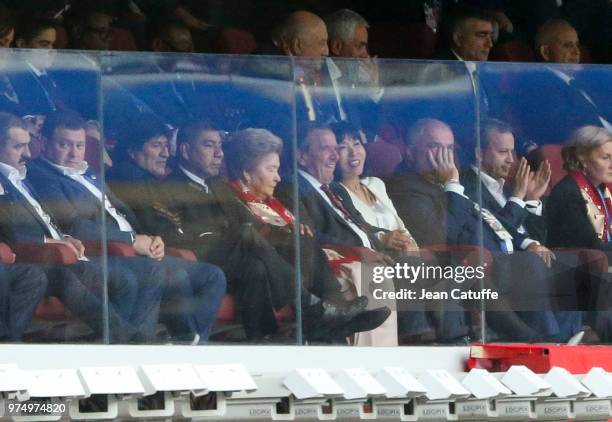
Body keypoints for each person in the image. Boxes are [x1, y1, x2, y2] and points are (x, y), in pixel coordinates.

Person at [106, 117, 384, 342]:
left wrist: (284, 233)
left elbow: (249, 222)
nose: (218, 153)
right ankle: (312, 308)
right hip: (199, 253)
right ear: (186, 151)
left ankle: (314, 321)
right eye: (208, 145)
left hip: (237, 254)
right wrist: (245, 233)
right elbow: (177, 233)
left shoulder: (217, 185)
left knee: (269, 257)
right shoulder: (170, 186)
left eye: (220, 146)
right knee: (247, 235)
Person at [29, 110, 226, 343]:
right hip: (104, 251)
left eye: (80, 146)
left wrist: (151, 238)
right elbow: (74, 226)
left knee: (212, 275)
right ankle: (141, 348)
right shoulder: (41, 175)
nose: (74, 153)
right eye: (65, 145)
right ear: (44, 142)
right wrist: (132, 241)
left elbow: (121, 212)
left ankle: (193, 346)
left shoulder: (88, 173)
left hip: (133, 246)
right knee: (164, 273)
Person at [386, 118, 581, 342]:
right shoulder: (406, 186)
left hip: (499, 257)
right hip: (475, 265)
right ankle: (549, 341)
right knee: (529, 263)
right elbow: (442, 236)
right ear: (411, 153)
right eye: (434, 147)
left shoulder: (449, 185)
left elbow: (492, 220)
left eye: (449, 148)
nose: (444, 156)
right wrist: (452, 184)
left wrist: (529, 242)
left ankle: (570, 338)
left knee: (570, 265)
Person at [0, 111, 162, 343]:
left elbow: (46, 222)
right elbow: (13, 230)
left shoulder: (20, 175)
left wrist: (64, 237)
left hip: (64, 251)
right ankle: (129, 344)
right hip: (43, 257)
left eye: (27, 145)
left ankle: (123, 346)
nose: (28, 153)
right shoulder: (25, 176)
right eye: (18, 147)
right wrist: (56, 242)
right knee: (122, 279)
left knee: (133, 277)